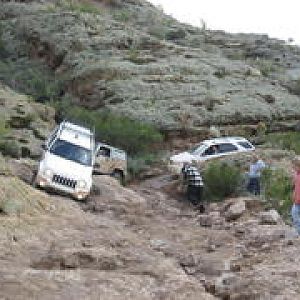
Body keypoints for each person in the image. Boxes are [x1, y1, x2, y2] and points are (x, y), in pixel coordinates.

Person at [291, 157, 300, 235]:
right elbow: (294, 186)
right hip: (296, 200)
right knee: (294, 215)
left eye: (295, 166)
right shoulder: (296, 174)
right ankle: (297, 232)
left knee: (295, 215)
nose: (293, 168)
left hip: (298, 200)